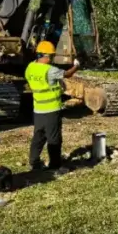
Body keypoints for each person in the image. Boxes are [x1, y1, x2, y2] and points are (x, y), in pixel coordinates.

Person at [26, 40, 80, 172]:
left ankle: (34, 162)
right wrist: (76, 66)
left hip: (38, 109)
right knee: (54, 138)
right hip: (52, 109)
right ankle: (55, 165)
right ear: (46, 56)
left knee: (38, 137)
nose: (51, 58)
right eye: (51, 56)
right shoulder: (50, 70)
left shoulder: (30, 67)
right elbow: (67, 74)